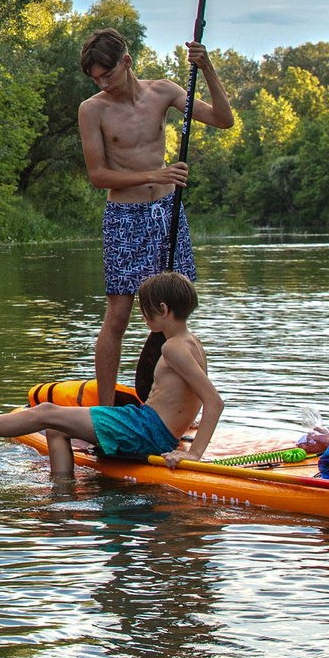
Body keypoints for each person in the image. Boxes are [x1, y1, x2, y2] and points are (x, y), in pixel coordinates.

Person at [0, 272, 223, 485]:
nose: (142, 317)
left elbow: (213, 402)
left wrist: (193, 454)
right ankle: (62, 496)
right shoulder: (192, 342)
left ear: (164, 309)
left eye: (145, 312)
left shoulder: (173, 349)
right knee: (53, 428)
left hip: (147, 430)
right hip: (145, 424)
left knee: (45, 411)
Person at [76, 27, 232, 404]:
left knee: (175, 312)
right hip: (124, 216)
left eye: (107, 74)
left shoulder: (163, 91)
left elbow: (224, 120)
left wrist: (206, 66)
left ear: (126, 62)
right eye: (96, 78)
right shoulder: (92, 110)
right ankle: (106, 410)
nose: (103, 83)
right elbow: (98, 176)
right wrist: (154, 174)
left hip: (167, 212)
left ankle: (176, 404)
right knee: (119, 313)